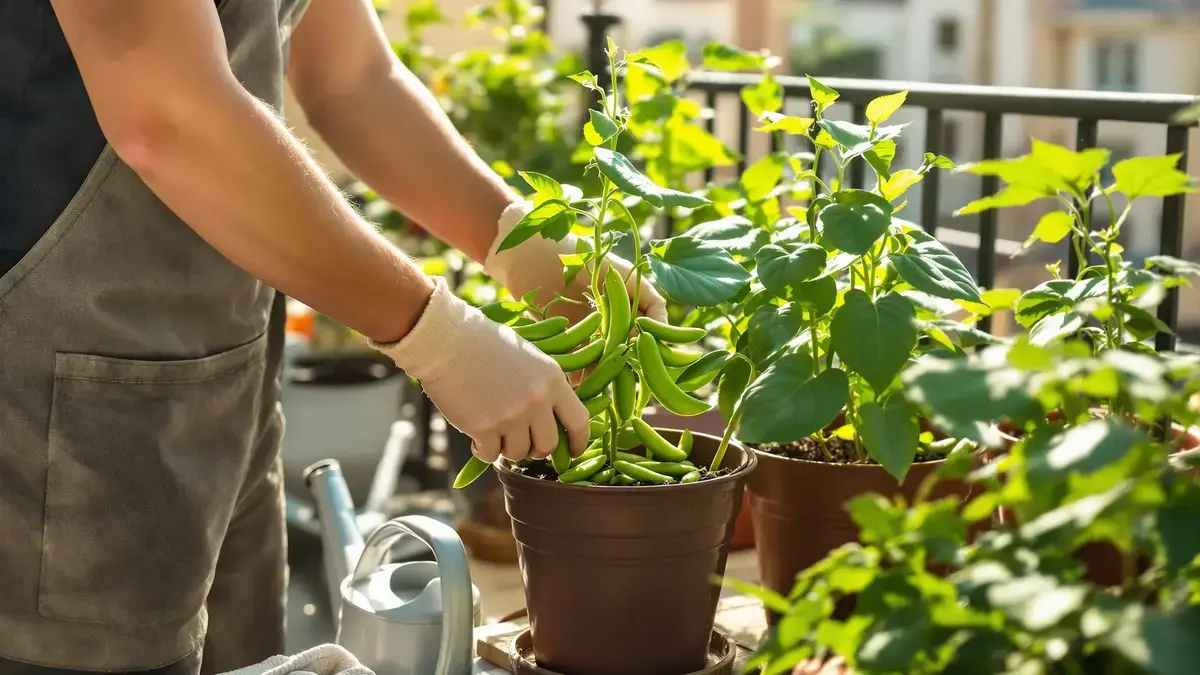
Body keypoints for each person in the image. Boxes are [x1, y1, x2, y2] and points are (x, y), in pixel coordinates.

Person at [0, 2, 665, 674]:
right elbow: (165, 114)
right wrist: (439, 337)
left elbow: (353, 78)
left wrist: (516, 241)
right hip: (54, 407)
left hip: (222, 377)